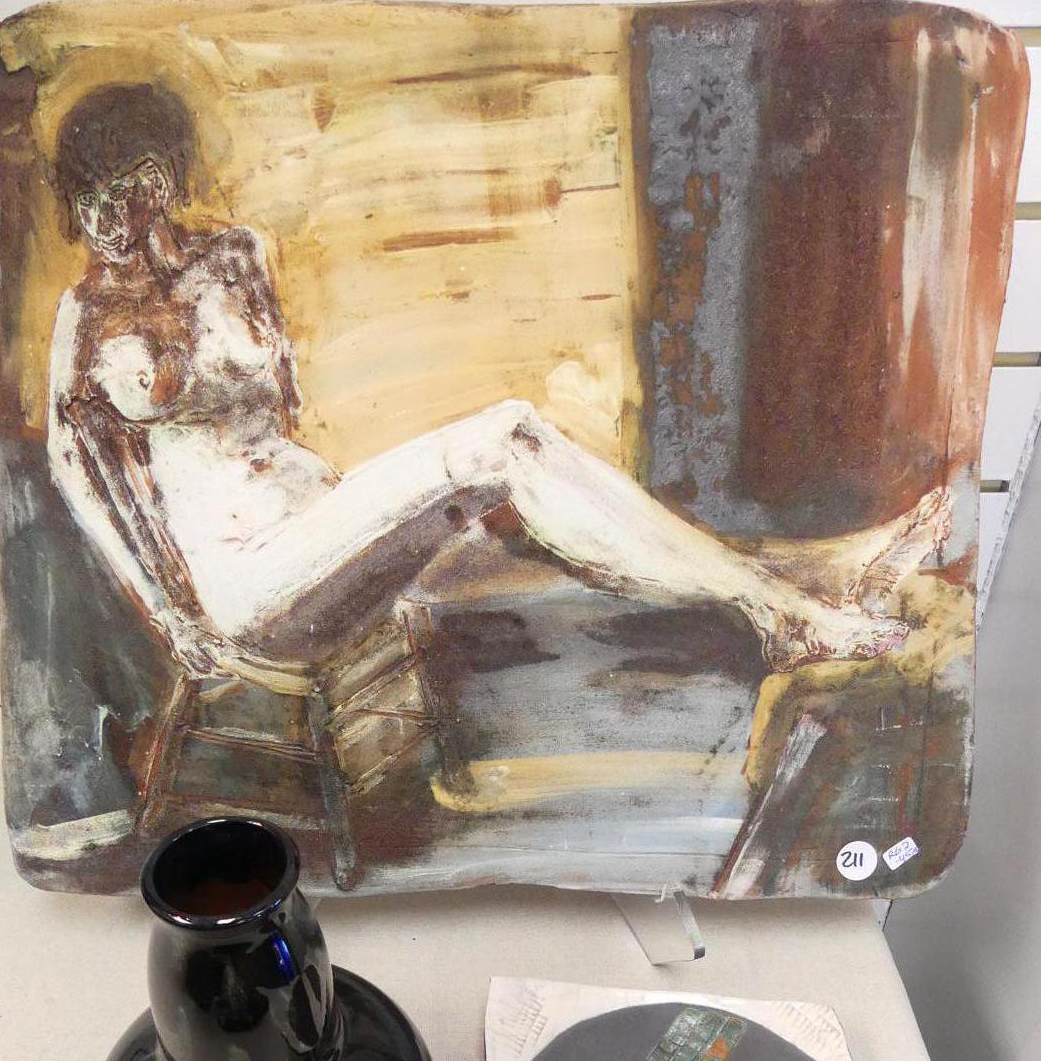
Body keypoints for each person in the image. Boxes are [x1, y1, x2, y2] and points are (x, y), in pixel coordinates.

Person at [47, 84, 949, 680]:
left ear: (163, 180)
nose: (108, 220)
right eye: (89, 200)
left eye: (128, 188)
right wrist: (172, 618)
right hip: (250, 578)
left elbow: (277, 414)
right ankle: (787, 608)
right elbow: (82, 476)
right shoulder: (85, 318)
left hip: (319, 522)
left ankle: (816, 573)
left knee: (548, 532)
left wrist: (346, 500)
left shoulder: (236, 257)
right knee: (505, 440)